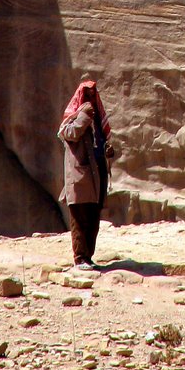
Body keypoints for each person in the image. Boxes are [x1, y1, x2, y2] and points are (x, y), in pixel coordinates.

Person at [58, 79, 112, 270]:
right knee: (80, 217)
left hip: (97, 173)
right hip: (80, 174)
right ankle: (80, 258)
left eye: (93, 93)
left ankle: (88, 257)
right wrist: (83, 116)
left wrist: (108, 150)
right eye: (87, 93)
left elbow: (103, 139)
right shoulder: (75, 116)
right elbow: (68, 134)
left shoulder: (97, 117)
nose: (90, 97)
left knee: (93, 217)